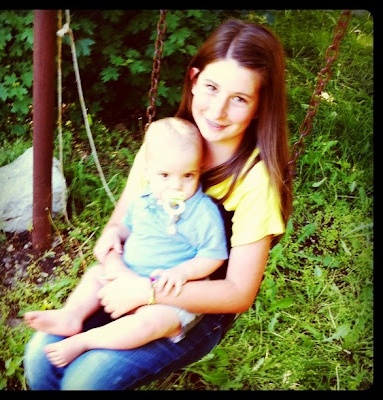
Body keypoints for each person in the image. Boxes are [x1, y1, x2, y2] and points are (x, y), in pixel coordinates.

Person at [24, 18, 292, 390]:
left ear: (260, 106)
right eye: (212, 87)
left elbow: (238, 292)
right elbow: (119, 226)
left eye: (239, 99)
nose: (218, 110)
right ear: (194, 80)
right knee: (39, 356)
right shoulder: (167, 143)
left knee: (86, 380)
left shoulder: (255, 182)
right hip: (132, 273)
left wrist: (146, 291)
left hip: (196, 305)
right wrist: (115, 262)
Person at [24, 117, 228, 368]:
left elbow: (213, 255)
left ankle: (86, 341)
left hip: (166, 293)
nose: (176, 185)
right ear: (147, 172)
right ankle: (72, 315)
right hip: (127, 276)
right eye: (165, 175)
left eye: (188, 175)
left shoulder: (202, 212)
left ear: (199, 169)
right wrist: (114, 233)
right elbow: (126, 227)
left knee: (150, 323)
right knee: (95, 275)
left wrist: (182, 272)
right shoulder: (144, 200)